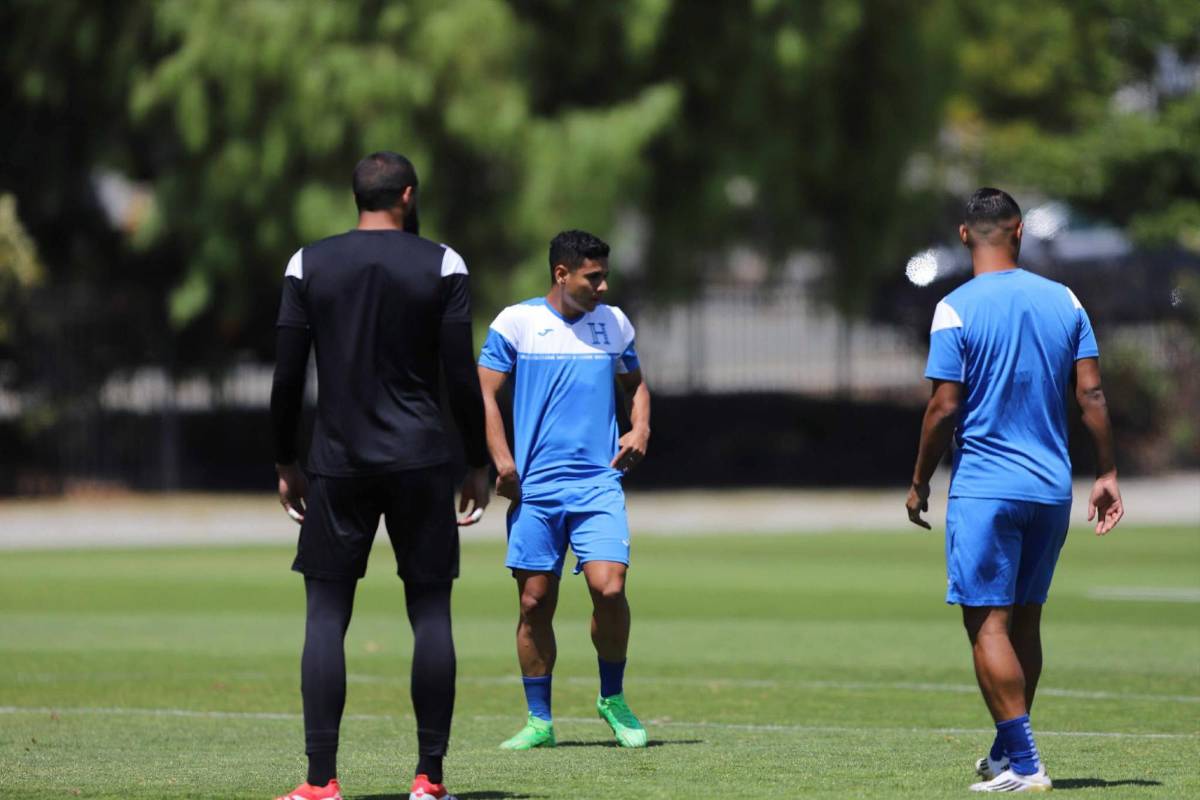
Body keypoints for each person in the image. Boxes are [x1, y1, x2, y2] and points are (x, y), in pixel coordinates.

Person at [270, 151, 490, 800]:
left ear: (356, 196)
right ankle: (429, 778)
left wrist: (285, 460)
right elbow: (460, 376)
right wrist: (476, 461)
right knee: (430, 613)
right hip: (422, 460)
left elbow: (287, 377)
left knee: (325, 615)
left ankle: (320, 781)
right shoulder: (443, 263)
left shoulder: (307, 263)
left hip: (337, 462)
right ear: (408, 195)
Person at [906, 188, 1125, 792]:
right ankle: (1006, 752)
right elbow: (1091, 394)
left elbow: (943, 407)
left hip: (986, 489)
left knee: (988, 626)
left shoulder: (954, 308)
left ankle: (1026, 765)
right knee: (1025, 623)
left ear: (963, 236)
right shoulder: (1065, 299)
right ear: (1020, 231)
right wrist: (1107, 473)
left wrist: (920, 481)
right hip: (1051, 489)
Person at [478, 229, 652, 750]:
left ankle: (612, 697)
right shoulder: (516, 323)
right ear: (561, 273)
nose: (603, 287)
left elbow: (636, 386)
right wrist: (502, 460)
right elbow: (483, 393)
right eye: (593, 277)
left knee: (610, 589)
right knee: (534, 602)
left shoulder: (614, 323)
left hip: (598, 483)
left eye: (605, 277)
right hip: (536, 487)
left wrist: (640, 428)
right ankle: (540, 721)